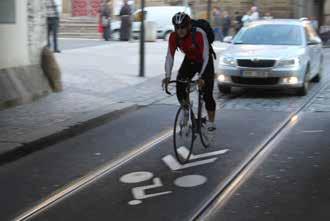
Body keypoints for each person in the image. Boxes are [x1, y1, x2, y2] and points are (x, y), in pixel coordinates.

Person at [162, 12, 217, 143]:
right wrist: (168, 75)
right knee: (180, 87)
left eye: (182, 27)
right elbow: (170, 56)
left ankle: (211, 124)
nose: (180, 30)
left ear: (189, 26)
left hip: (204, 60)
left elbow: (205, 56)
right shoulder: (174, 36)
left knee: (208, 93)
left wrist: (202, 77)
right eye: (177, 27)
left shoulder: (198, 34)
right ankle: (186, 111)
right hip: (190, 60)